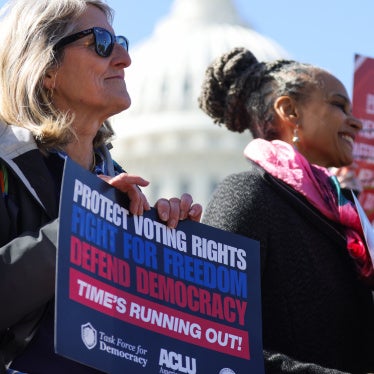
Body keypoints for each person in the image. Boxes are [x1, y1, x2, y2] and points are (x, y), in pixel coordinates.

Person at [0, 0, 202, 372]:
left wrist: (167, 250)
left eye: (121, 41)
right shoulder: (6, 168)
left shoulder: (122, 188)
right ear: (47, 68)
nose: (125, 57)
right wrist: (86, 223)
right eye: (102, 43)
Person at [198, 47, 374, 373]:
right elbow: (212, 339)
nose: (356, 122)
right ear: (289, 111)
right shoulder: (250, 195)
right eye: (338, 105)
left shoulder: (351, 223)